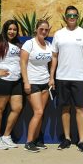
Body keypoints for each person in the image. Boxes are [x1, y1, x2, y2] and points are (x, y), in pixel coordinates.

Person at [50, 5, 83, 154]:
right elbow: (54, 57)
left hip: (80, 78)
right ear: (65, 17)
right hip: (62, 77)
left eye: (74, 16)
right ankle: (67, 139)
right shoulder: (58, 34)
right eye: (69, 15)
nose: (71, 18)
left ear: (78, 17)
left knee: (80, 109)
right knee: (64, 108)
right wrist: (52, 77)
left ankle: (82, 141)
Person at [0, 19, 24, 150]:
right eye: (10, 29)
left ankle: (6, 136)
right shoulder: (0, 42)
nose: (12, 31)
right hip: (3, 81)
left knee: (17, 108)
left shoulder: (19, 44)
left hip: (16, 80)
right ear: (5, 30)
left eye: (14, 29)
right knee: (0, 109)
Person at [20, 19, 54, 152]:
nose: (44, 32)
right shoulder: (29, 44)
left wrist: (51, 78)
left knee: (41, 113)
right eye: (41, 29)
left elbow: (51, 63)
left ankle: (36, 140)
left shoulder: (49, 44)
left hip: (45, 83)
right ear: (36, 29)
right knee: (38, 112)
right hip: (32, 83)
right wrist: (26, 82)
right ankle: (29, 142)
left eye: (46, 30)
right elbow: (23, 63)